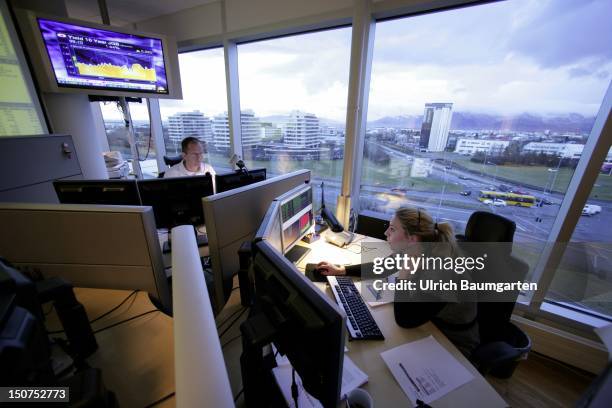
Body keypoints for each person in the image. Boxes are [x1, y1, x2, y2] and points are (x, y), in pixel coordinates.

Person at [317, 206, 480, 357]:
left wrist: (404, 274)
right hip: (428, 321)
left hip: (452, 342)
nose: (386, 232)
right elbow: (382, 267)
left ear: (412, 239)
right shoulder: (419, 246)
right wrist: (343, 270)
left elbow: (405, 320)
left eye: (393, 229)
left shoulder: (441, 271)